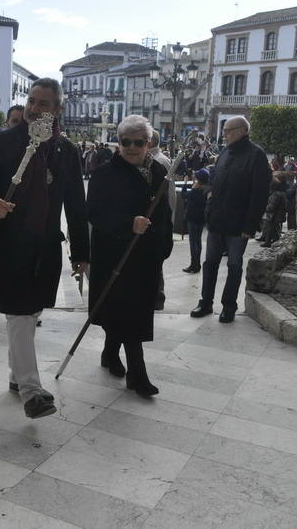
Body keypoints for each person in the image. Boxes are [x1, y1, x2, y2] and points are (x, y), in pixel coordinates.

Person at [0, 78, 89, 419]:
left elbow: (76, 206)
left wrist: (81, 253)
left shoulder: (66, 151)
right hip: (11, 243)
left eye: (43, 104)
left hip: (45, 245)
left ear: (58, 109)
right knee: (21, 315)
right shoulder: (3, 142)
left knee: (31, 312)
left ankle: (14, 375)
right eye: (31, 101)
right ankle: (31, 390)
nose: (34, 109)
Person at [88, 115, 172, 396]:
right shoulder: (104, 173)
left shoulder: (159, 172)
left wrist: (165, 243)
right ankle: (137, 374)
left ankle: (110, 353)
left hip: (146, 257)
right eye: (126, 142)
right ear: (119, 142)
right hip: (115, 255)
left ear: (148, 143)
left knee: (129, 311)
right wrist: (128, 223)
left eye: (139, 142)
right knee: (127, 312)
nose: (132, 147)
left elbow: (164, 212)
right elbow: (95, 214)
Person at [190, 116, 271, 323]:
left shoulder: (257, 155)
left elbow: (259, 194)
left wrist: (250, 226)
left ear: (243, 130)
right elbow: (213, 177)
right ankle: (206, 302)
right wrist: (209, 196)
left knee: (234, 266)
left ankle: (228, 307)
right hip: (216, 220)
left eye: (228, 130)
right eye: (224, 130)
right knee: (209, 264)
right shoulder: (225, 152)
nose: (224, 134)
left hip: (239, 225)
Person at [147, 130, 175, 310]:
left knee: (155, 261)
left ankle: (158, 295)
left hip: (158, 219)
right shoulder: (160, 159)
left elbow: (167, 195)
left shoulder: (158, 162)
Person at [181, 168, 209, 273]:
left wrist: (184, 183)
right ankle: (197, 264)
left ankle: (194, 265)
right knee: (198, 241)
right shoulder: (206, 189)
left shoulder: (196, 190)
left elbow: (183, 195)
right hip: (201, 218)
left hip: (192, 218)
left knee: (193, 242)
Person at [259, 176, 287, 247]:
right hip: (277, 215)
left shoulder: (275, 194)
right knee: (275, 229)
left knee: (270, 229)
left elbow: (271, 207)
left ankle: (268, 242)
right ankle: (273, 242)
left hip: (274, 216)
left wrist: (263, 208)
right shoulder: (281, 193)